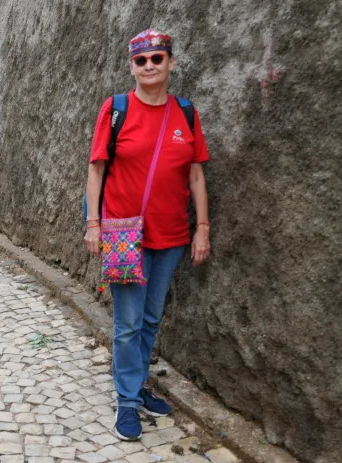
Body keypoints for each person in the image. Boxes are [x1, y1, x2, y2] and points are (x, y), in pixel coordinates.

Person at [84, 30, 210, 440]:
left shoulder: (187, 114)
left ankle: (136, 384)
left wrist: (202, 229)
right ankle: (127, 401)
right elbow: (96, 169)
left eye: (158, 58)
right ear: (132, 67)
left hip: (172, 236)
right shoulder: (116, 109)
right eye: (142, 60)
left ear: (171, 63)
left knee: (151, 318)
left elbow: (195, 174)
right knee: (127, 323)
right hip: (123, 234)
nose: (150, 65)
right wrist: (93, 224)